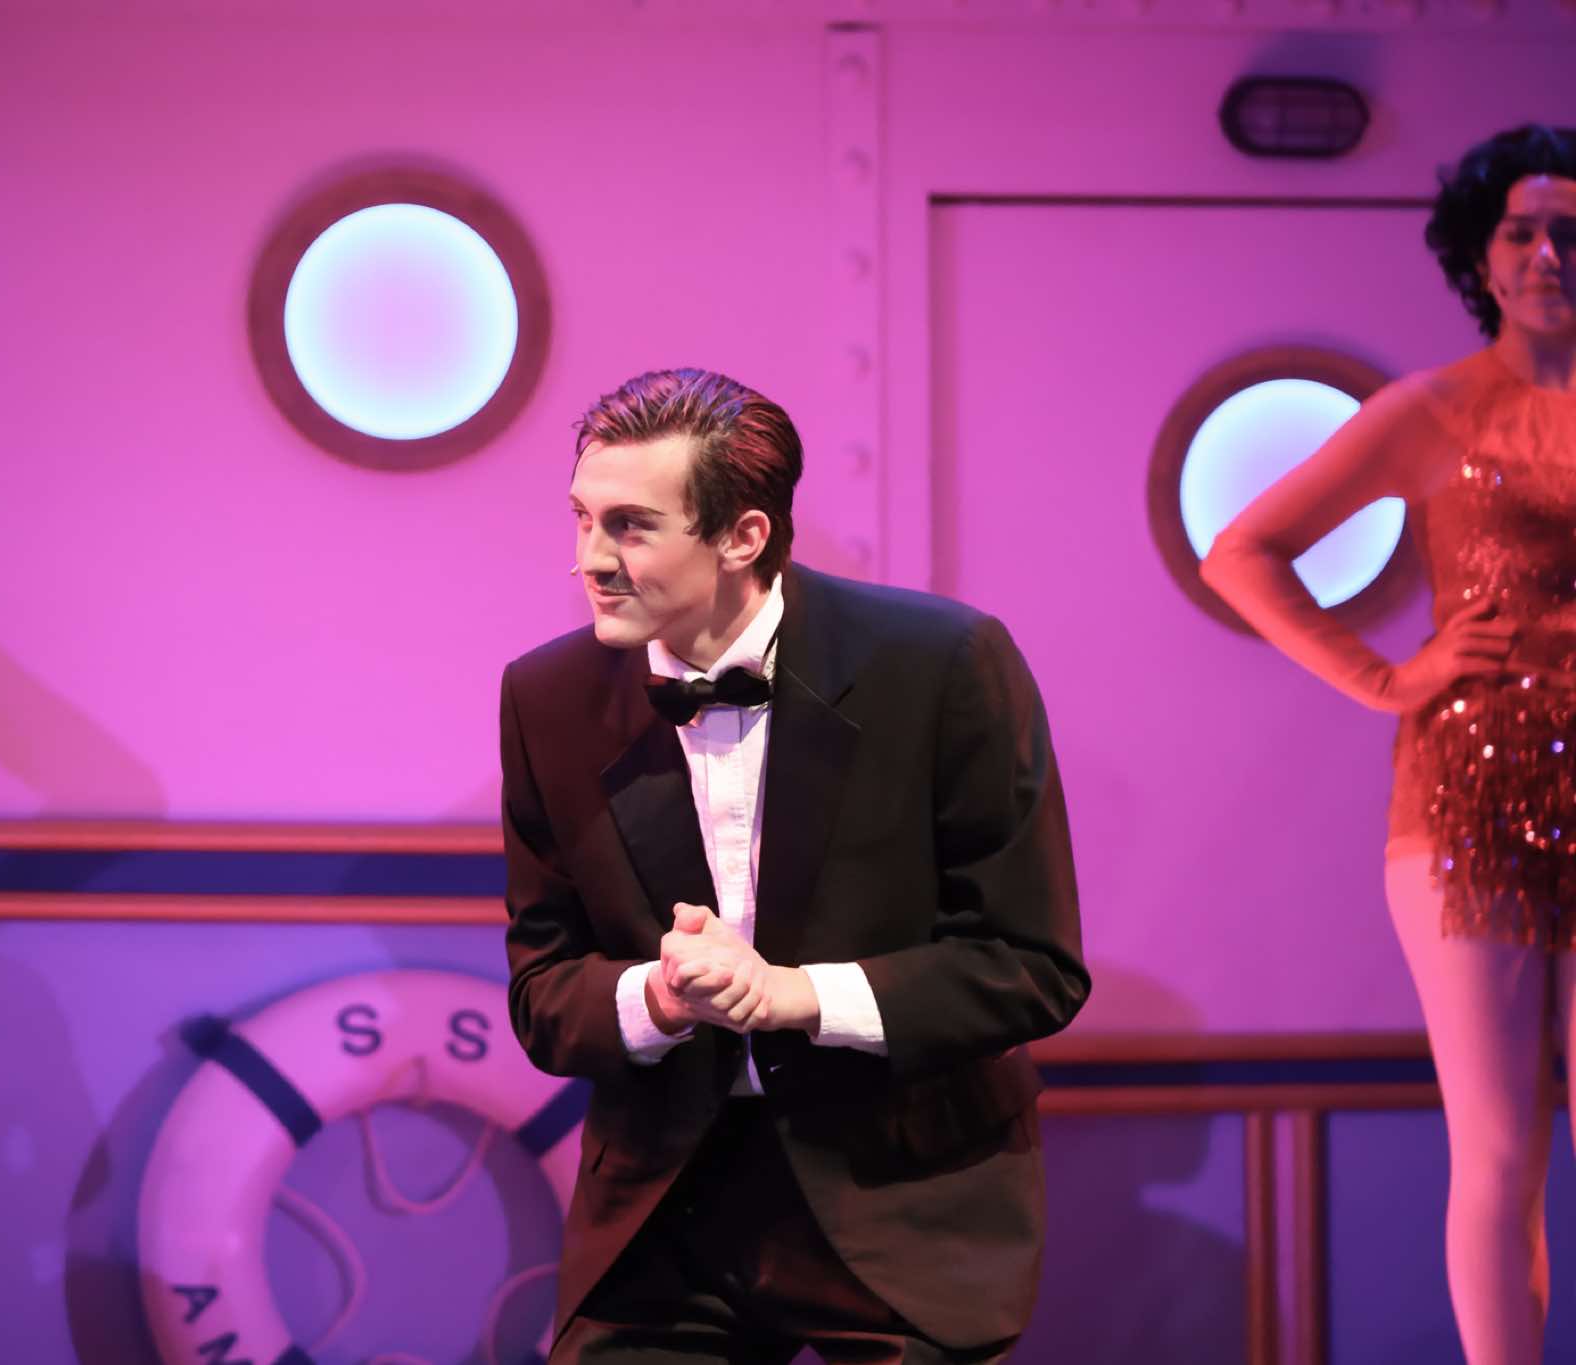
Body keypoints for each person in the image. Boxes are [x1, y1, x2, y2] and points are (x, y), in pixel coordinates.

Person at [499, 368, 1088, 1363]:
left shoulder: (942, 663)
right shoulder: (544, 695)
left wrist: (792, 995)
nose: (589, 560)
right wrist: (660, 998)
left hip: (900, 1197)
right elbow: (542, 990)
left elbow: (1030, 966)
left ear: (742, 536)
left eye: (631, 527)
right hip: (664, 1207)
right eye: (583, 519)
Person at [1203, 124, 1576, 1364]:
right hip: (1465, 801)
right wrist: (1386, 678)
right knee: (1499, 1147)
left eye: (1569, 231)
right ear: (1481, 254)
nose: (1547, 254)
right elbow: (1241, 552)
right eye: (1521, 231)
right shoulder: (1433, 408)